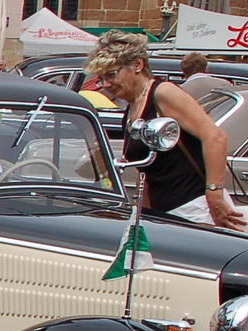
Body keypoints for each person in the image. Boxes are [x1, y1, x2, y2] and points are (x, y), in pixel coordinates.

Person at [87, 30, 244, 230]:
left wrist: (214, 194)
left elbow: (215, 137)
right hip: (165, 213)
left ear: (137, 65)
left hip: (195, 209)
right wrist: (141, 216)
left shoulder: (164, 92)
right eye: (100, 78)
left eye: (111, 74)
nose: (106, 84)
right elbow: (146, 171)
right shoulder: (133, 106)